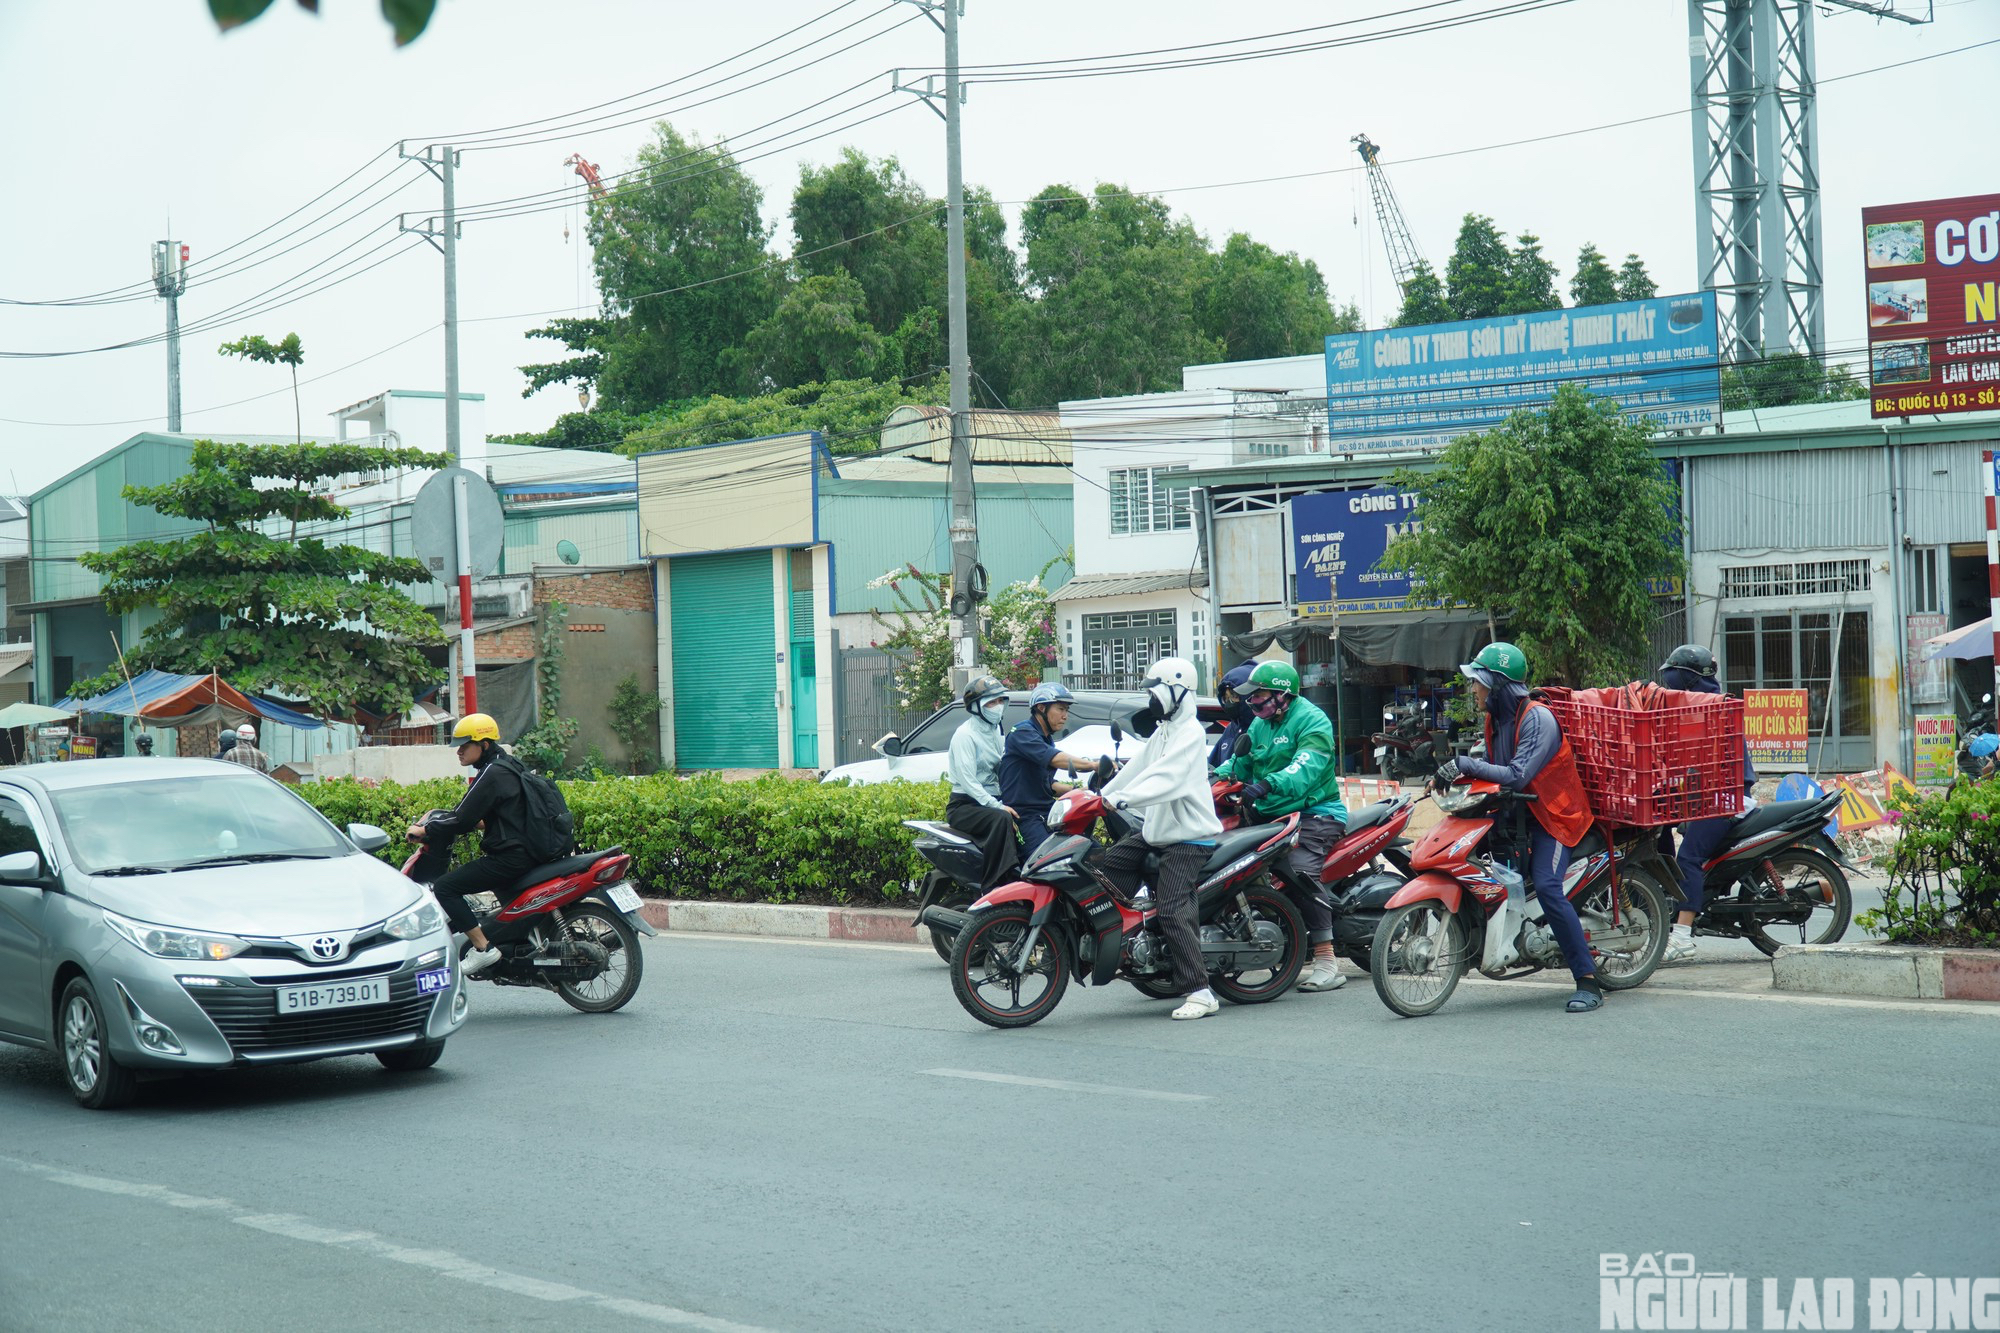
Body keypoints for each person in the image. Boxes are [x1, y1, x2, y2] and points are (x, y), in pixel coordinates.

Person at [1439, 642, 1602, 1013]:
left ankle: (1588, 980)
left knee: (1546, 886)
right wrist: (1449, 772)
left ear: (1498, 684)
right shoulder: (1495, 717)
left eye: (1478, 682)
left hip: (1555, 818)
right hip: (1518, 814)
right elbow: (1490, 764)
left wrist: (1466, 764)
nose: (1474, 689)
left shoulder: (1537, 719)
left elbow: (1516, 774)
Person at [1096, 658, 1226, 1020]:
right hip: (1156, 835)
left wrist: (1125, 798)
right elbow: (1141, 766)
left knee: (1171, 908)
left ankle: (1200, 992)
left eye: (1155, 691)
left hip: (1189, 839)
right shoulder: (1166, 730)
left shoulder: (1190, 734)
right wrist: (1101, 794)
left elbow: (1167, 778)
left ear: (1177, 689)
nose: (1150, 699)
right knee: (1107, 868)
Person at [1213, 660, 1351, 993]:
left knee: (1299, 872)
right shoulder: (1260, 726)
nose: (1251, 701)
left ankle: (1327, 959)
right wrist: (1214, 777)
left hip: (1315, 813)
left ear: (1281, 695)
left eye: (1257, 694)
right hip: (1270, 816)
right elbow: (1239, 763)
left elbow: (1306, 767)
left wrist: (1266, 784)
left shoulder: (1311, 720)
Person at [407, 713, 540, 975]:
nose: (459, 751)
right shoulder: (510, 765)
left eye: (465, 744)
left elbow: (462, 818)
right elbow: (503, 814)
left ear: (485, 745)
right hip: (529, 850)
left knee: (446, 888)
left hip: (511, 856)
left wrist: (425, 829)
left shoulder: (492, 772)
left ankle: (483, 948)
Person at [1657, 644, 1757, 962]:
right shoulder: (1694, 706)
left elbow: (1702, 763)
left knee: (1688, 857)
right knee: (1658, 831)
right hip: (1705, 793)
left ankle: (1683, 934)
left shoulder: (1713, 708)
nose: (1667, 685)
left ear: (1687, 679)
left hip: (1725, 797)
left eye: (1673, 678)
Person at [997, 682, 1092, 858]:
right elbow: (1056, 758)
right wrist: (1093, 765)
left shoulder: (1046, 739)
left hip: (1046, 811)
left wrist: (1083, 792)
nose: (1065, 716)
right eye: (1060, 709)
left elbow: (1048, 784)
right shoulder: (1022, 732)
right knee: (1047, 861)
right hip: (1024, 816)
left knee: (1082, 850)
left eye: (1066, 710)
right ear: (1041, 708)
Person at [945, 674, 1021, 891]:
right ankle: (994, 886)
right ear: (976, 707)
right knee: (1001, 819)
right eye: (990, 702)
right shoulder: (965, 735)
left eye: (1000, 701)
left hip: (990, 800)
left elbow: (1001, 767)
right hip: (965, 805)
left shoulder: (997, 730)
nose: (997, 706)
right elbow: (969, 782)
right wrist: (997, 805)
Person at [1207, 661, 1259, 769]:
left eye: (1234, 696)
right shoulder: (1231, 729)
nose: (1229, 702)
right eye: (1226, 698)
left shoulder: (1264, 728)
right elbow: (1213, 768)